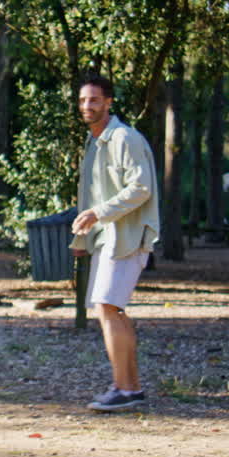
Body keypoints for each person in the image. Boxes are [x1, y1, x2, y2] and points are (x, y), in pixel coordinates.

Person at [69, 75, 160, 412]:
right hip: (107, 238)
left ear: (108, 102)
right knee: (110, 309)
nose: (87, 106)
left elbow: (141, 188)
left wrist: (97, 214)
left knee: (107, 307)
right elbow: (92, 194)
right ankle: (130, 388)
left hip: (128, 236)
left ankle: (123, 389)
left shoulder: (124, 138)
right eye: (83, 100)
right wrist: (83, 237)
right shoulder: (95, 142)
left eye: (94, 100)